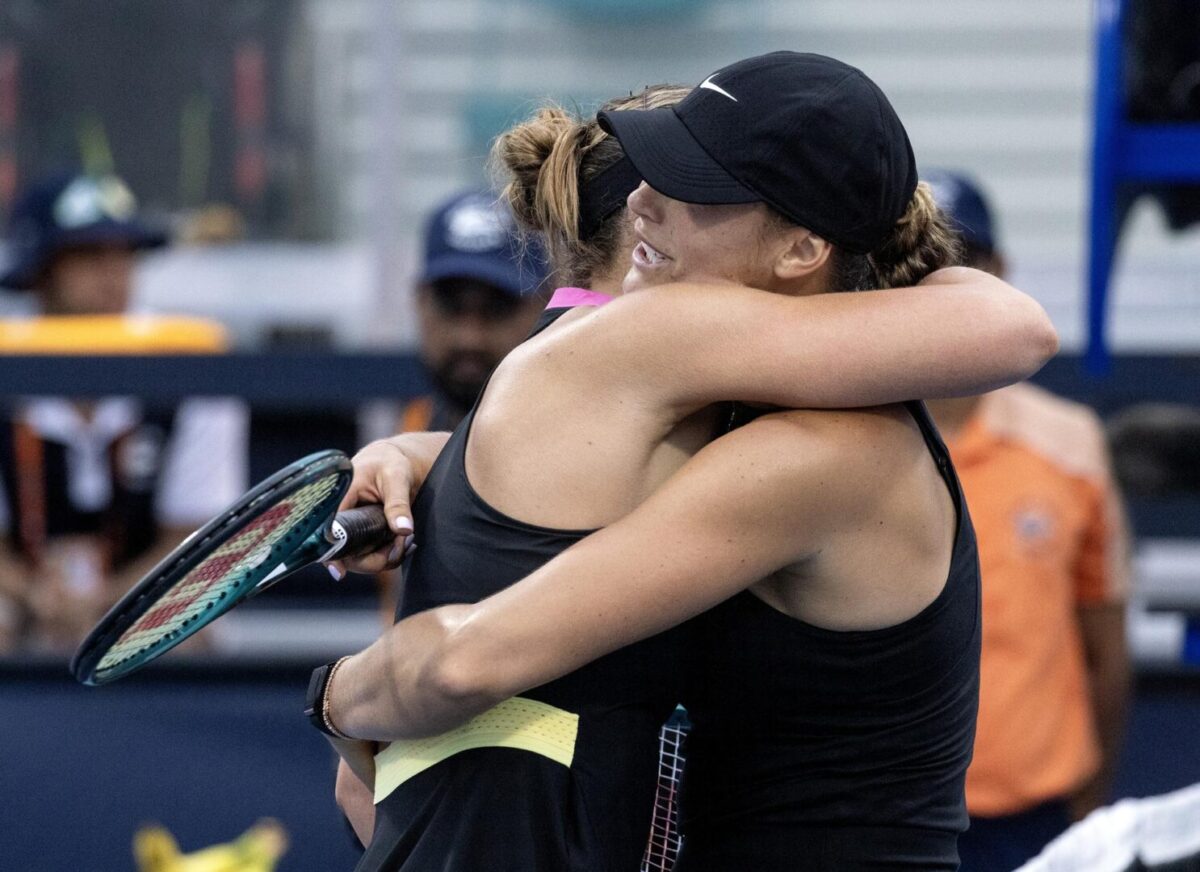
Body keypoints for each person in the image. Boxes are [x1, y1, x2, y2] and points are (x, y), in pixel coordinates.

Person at [317, 56, 1058, 871]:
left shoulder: (817, 457)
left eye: (694, 187)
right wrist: (417, 456)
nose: (642, 199)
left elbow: (465, 662)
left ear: (803, 247)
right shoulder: (757, 423)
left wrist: (335, 697)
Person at [923, 170, 1133, 872]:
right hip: (890, 816)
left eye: (962, 263)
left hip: (1034, 817)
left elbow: (1105, 644)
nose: (939, 286)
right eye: (920, 265)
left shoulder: (1067, 445)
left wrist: (1089, 805)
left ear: (1000, 274)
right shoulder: (841, 447)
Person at [0, 170, 249, 651]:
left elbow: (196, 540)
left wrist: (106, 607)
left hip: (144, 606)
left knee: (194, 626)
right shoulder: (7, 363)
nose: (114, 274)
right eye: (88, 255)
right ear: (40, 273)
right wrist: (33, 593)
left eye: (125, 253)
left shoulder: (186, 364)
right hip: (25, 605)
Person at [385, 189, 549, 436]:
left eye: (498, 308)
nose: (470, 338)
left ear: (547, 305)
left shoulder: (591, 441)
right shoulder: (409, 431)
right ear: (420, 303)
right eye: (450, 306)